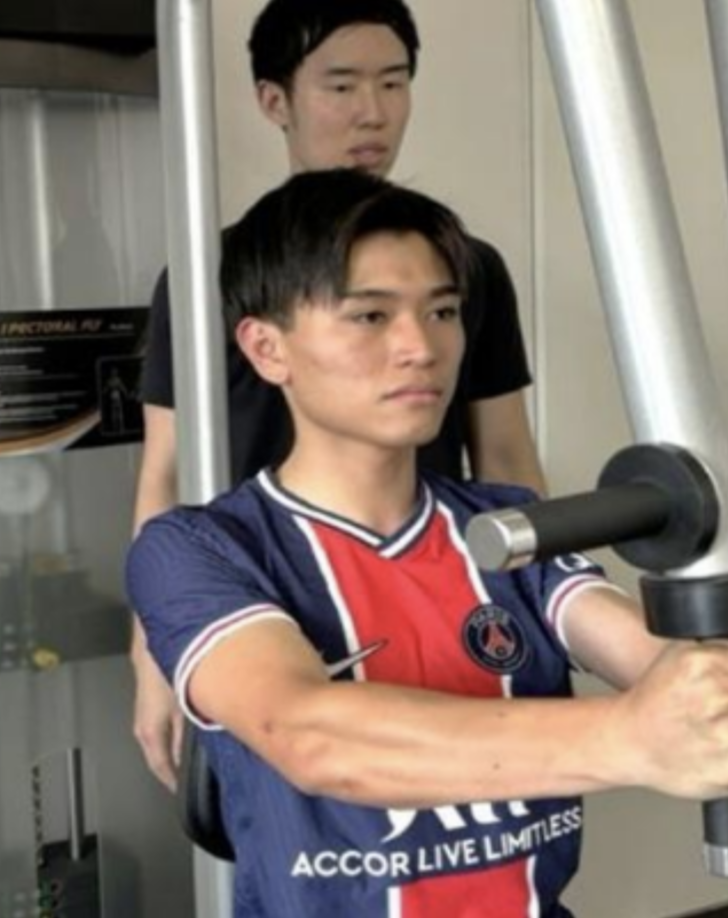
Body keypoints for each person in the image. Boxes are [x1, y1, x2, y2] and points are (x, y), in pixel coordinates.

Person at [127, 170, 728, 917]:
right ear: (267, 349)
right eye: (370, 317)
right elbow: (312, 735)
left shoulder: (507, 529)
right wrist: (629, 736)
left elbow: (654, 656)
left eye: (442, 311)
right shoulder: (199, 551)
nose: (420, 346)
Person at [131, 0, 546, 791]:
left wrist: (537, 605)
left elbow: (505, 454)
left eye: (393, 83)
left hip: (427, 593)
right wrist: (151, 646)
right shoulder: (205, 277)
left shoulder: (470, 269)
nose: (373, 113)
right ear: (274, 100)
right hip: (253, 606)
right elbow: (166, 471)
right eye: (342, 86)